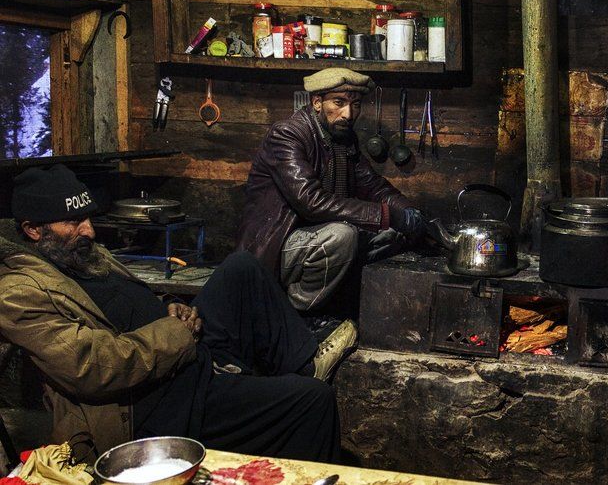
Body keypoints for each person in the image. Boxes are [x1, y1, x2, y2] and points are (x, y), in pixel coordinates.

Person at [0, 165, 356, 463]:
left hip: (179, 354)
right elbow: (92, 366)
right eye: (73, 222)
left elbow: (125, 300)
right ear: (34, 230)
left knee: (241, 269)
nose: (89, 230)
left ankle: (303, 364)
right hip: (154, 405)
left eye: (88, 218)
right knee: (311, 400)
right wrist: (175, 333)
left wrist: (170, 304)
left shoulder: (81, 253)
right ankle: (284, 391)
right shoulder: (19, 292)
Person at [236, 67, 426, 312]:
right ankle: (295, 312)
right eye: (339, 102)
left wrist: (411, 214)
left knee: (394, 234)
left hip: (315, 242)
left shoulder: (344, 139)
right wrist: (387, 215)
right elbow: (311, 201)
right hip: (278, 246)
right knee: (342, 235)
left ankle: (335, 304)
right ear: (317, 102)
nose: (348, 113)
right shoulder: (287, 135)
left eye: (355, 104)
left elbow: (373, 186)